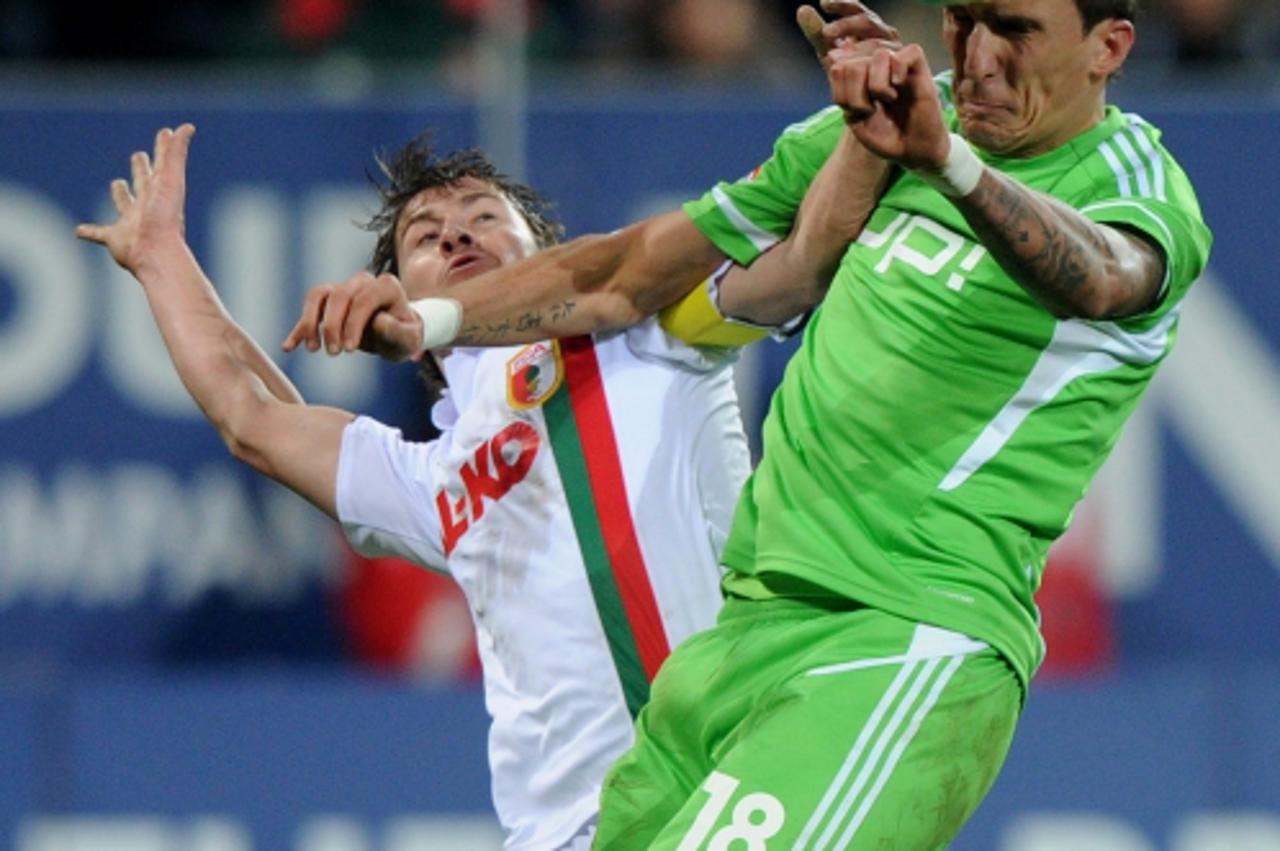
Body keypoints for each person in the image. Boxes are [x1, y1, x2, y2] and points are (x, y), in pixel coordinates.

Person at [323, 1, 1213, 847]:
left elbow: (1098, 278)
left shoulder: (1130, 182)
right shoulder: (893, 120)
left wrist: (950, 164)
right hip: (749, 632)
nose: (978, 56)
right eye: (962, 20)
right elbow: (624, 271)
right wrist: (433, 320)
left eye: (1015, 29)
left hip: (908, 632)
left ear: (1111, 47)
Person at [74, 115, 875, 847]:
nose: (456, 230)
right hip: (565, 831)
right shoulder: (431, 476)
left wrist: (868, 132)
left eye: (485, 215)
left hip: (732, 794)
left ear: (540, 249)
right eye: (425, 234)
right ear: (402, 303)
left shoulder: (649, 332)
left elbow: (803, 262)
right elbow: (250, 418)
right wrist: (160, 258)